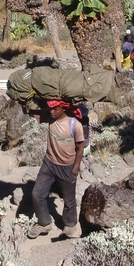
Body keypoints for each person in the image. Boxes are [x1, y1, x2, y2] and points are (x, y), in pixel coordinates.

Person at [28, 100, 85, 240]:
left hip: (67, 166)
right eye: (50, 109)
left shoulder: (74, 125)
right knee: (37, 194)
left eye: (55, 109)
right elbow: (30, 112)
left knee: (69, 198)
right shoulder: (49, 117)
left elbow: (80, 147)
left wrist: (76, 167)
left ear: (63, 108)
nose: (52, 111)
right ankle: (44, 222)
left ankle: (70, 224)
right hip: (49, 163)